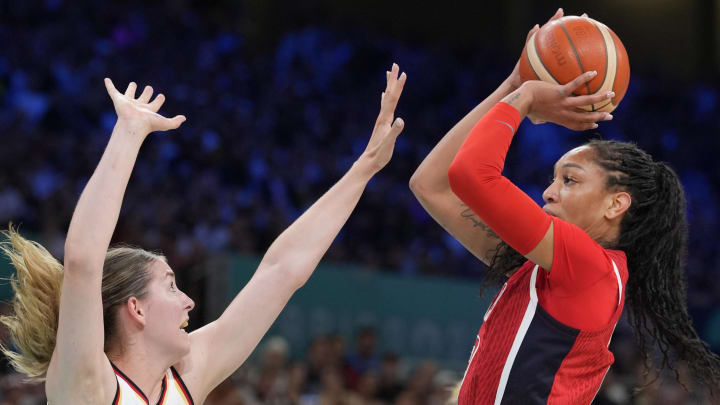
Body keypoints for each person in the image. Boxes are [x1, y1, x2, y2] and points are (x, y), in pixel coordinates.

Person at [0, 63, 407, 404]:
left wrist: (364, 168)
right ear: (136, 309)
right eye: (172, 285)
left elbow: (281, 271)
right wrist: (129, 132)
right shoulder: (86, 386)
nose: (190, 301)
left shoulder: (185, 379)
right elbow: (84, 261)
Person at [409, 9, 720, 404]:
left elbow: (472, 175)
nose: (548, 193)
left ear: (616, 204)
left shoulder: (590, 269)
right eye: (553, 179)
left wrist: (524, 97)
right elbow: (430, 185)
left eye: (569, 180)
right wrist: (515, 81)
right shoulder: (545, 268)